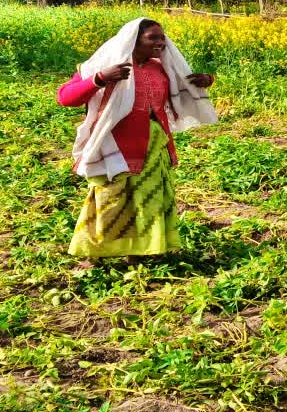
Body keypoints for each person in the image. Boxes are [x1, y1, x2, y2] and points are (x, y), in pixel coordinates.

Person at [56, 18, 216, 265]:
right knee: (109, 199)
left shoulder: (161, 68)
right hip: (115, 145)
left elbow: (185, 85)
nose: (160, 43)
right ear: (133, 40)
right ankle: (93, 256)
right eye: (153, 37)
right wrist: (100, 78)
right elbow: (66, 98)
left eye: (162, 37)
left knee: (148, 199)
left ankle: (138, 254)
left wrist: (206, 79)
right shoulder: (103, 66)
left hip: (153, 144)